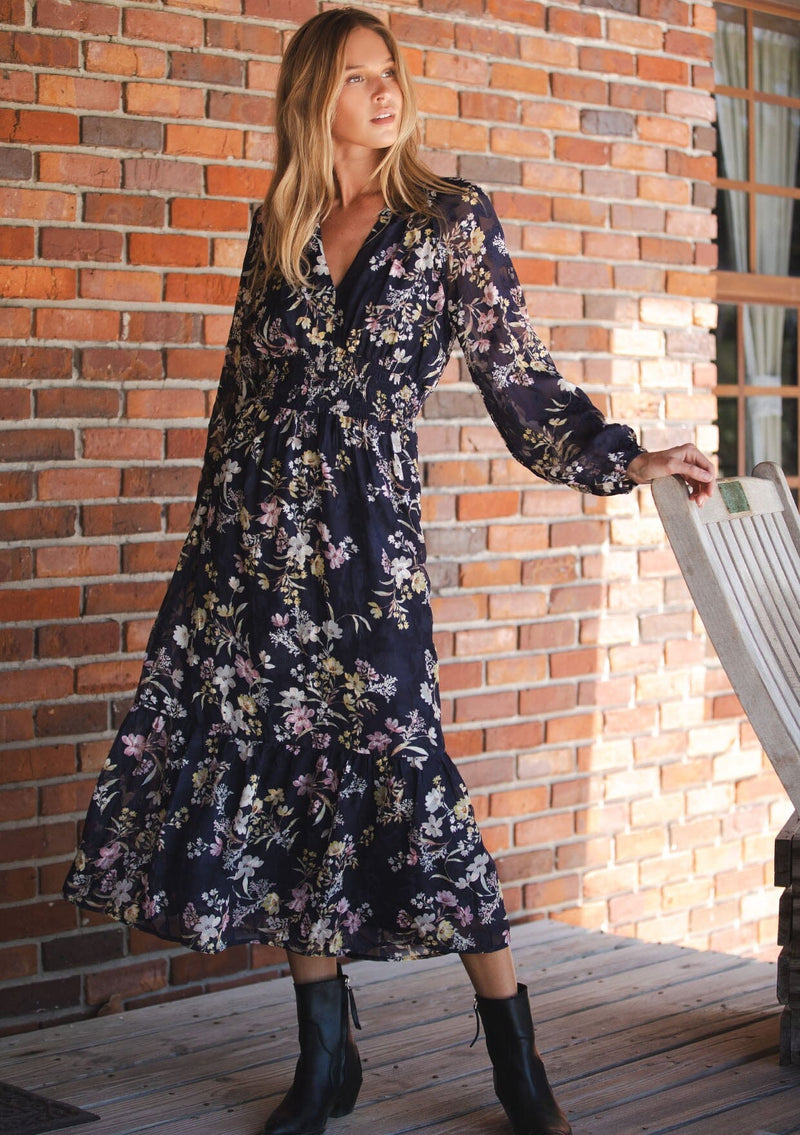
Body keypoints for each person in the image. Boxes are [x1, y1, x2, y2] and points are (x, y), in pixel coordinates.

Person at [63, 8, 715, 1135]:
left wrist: (628, 458)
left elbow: (520, 380)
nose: (383, 93)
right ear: (314, 96)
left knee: (407, 777)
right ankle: (325, 1062)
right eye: (357, 77)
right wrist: (204, 576)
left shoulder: (444, 219)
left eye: (390, 74)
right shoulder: (278, 227)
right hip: (256, 558)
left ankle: (515, 1059)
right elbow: (236, 414)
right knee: (287, 783)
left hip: (367, 559)